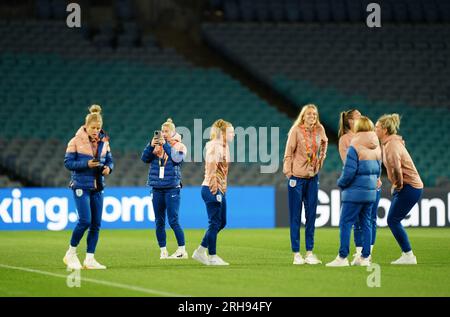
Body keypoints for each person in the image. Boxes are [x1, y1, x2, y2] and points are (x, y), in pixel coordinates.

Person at [63, 104, 113, 270]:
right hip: (81, 185)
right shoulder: (75, 141)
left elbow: (110, 160)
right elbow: (68, 163)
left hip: (98, 185)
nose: (96, 130)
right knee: (85, 220)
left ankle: (89, 259)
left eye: (99, 128)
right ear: (86, 126)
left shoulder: (104, 142)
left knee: (96, 224)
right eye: (93, 127)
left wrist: (108, 168)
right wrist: (87, 164)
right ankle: (71, 253)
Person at [326, 116, 381, 267]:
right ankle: (365, 258)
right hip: (370, 193)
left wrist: (341, 183)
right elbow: (378, 171)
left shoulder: (354, 146)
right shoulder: (376, 146)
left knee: (345, 223)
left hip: (355, 192)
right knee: (366, 223)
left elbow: (349, 172)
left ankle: (342, 257)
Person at [283, 104, 328, 265]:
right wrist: (289, 173)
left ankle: (309, 252)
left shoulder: (320, 129)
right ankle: (296, 254)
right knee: (295, 216)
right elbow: (288, 152)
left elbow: (324, 144)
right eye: (309, 114)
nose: (312, 116)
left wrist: (320, 162)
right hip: (297, 178)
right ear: (303, 116)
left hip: (312, 178)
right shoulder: (296, 131)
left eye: (315, 114)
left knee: (311, 216)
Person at [375, 114, 423, 265]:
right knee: (393, 220)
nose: (374, 129)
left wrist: (397, 184)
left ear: (384, 130)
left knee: (393, 220)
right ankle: (407, 254)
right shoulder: (389, 143)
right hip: (410, 186)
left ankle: (408, 255)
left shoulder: (392, 145)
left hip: (410, 186)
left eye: (377, 127)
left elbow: (396, 168)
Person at [141, 118, 188, 259]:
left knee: (173, 220)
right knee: (159, 221)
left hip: (172, 187)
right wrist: (150, 145)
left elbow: (177, 160)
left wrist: (166, 145)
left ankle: (181, 250)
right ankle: (163, 250)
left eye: (167, 131)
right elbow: (144, 159)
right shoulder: (156, 146)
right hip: (156, 187)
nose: (164, 133)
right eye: (163, 131)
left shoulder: (180, 146)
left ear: (173, 132)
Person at [192, 119, 234, 266]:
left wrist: (222, 190)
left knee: (222, 222)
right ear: (222, 133)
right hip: (211, 188)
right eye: (230, 132)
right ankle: (213, 256)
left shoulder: (224, 146)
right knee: (215, 222)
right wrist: (215, 190)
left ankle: (200, 251)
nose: (233, 134)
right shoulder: (215, 147)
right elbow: (211, 170)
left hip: (220, 189)